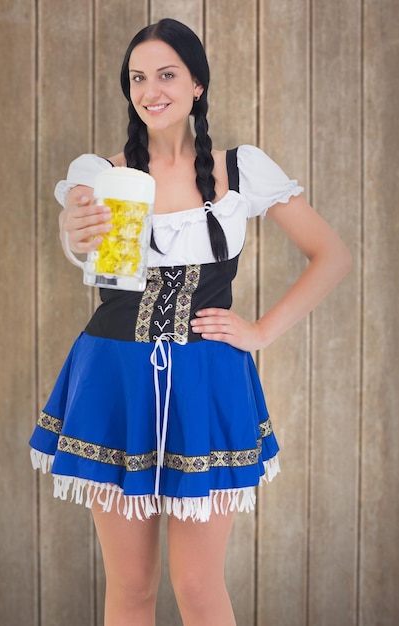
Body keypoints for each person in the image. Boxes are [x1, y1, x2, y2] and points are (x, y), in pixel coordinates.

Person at [29, 17, 352, 626]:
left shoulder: (241, 169)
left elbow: (331, 256)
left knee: (199, 585)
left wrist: (259, 332)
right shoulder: (101, 176)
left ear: (197, 83)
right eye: (138, 77)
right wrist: (74, 234)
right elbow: (84, 248)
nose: (151, 89)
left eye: (167, 74)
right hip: (115, 378)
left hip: (206, 382)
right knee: (131, 586)